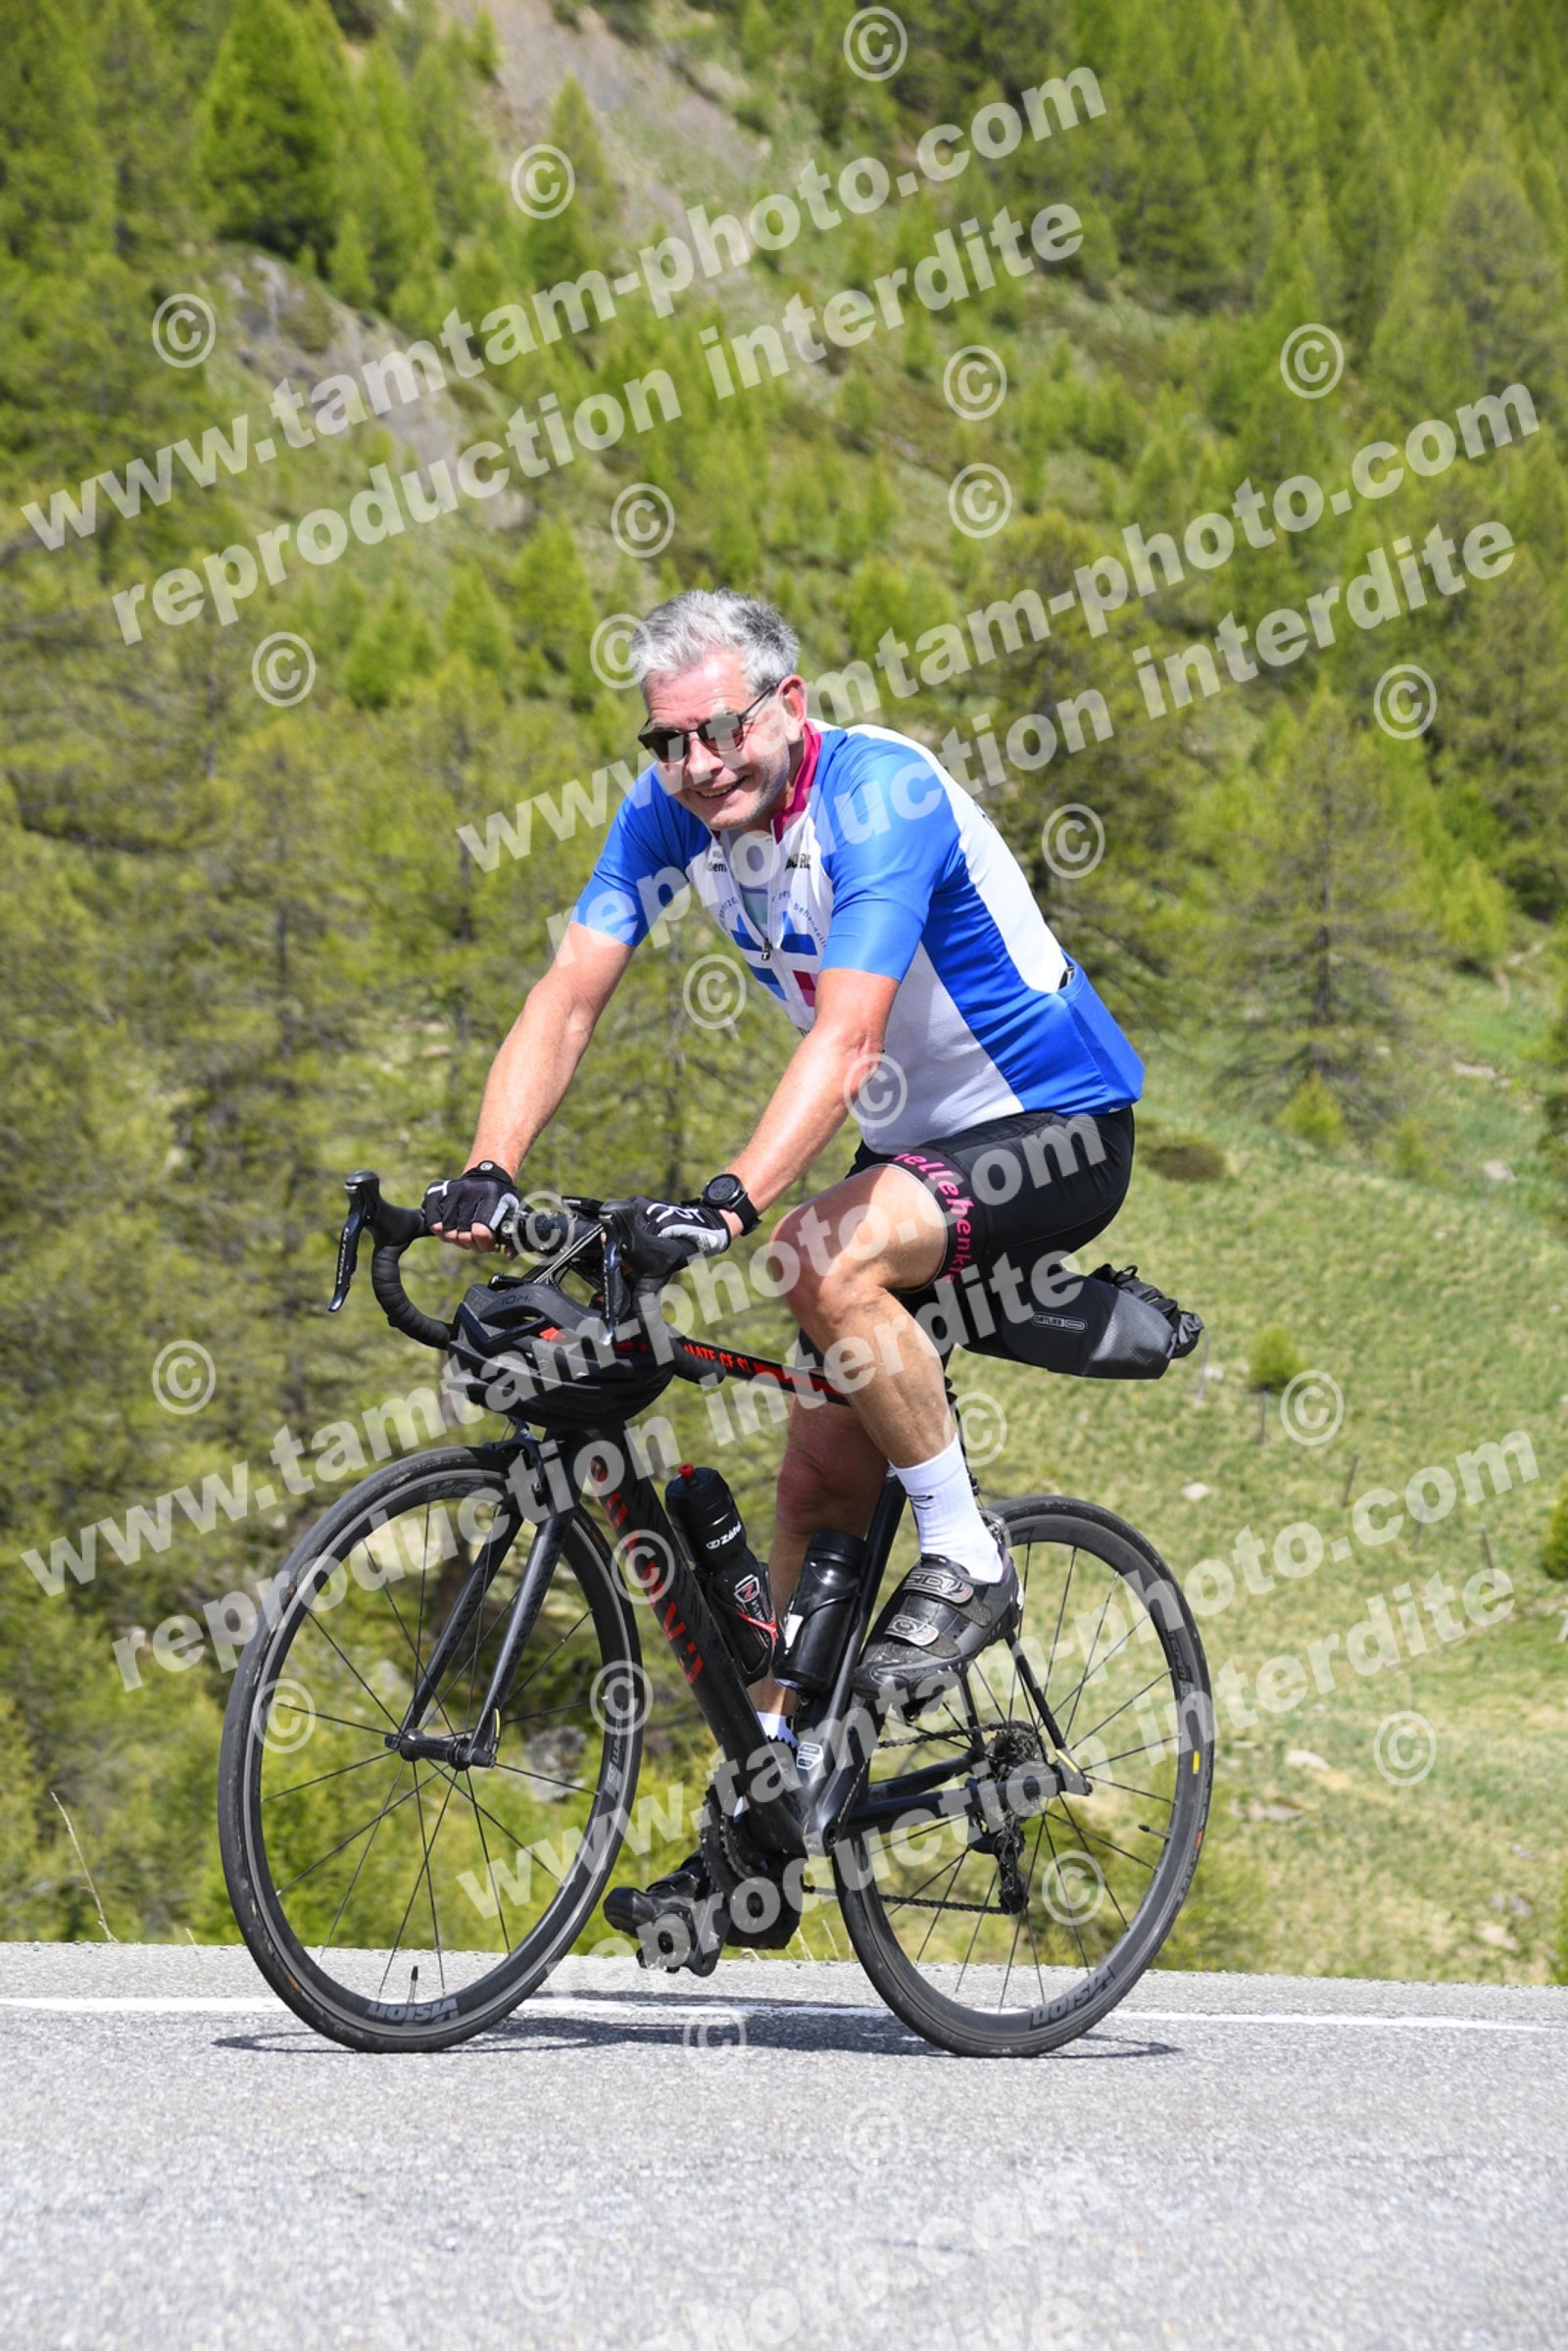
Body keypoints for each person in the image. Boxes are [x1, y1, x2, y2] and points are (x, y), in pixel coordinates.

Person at [423, 587, 1143, 1943]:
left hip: (1055, 1125)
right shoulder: (671, 814)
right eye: (669, 742)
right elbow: (567, 998)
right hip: (917, 1151)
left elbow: (849, 1041)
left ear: (789, 707)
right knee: (814, 1477)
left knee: (813, 1252)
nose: (698, 765)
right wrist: (490, 1168)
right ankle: (770, 1819)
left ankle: (969, 1554)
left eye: (721, 732)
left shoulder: (882, 797)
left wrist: (730, 1205)